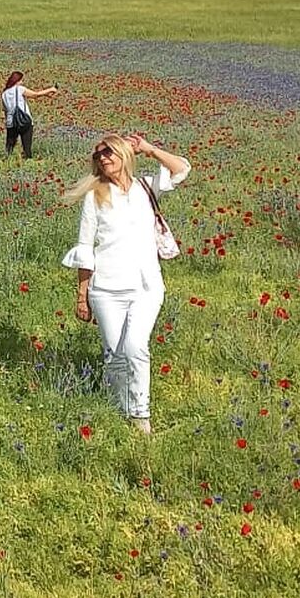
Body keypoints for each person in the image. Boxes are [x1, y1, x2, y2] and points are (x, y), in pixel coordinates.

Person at [63, 132, 192, 434]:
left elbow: (182, 169)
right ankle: (116, 409)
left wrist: (148, 148)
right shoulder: (95, 196)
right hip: (106, 290)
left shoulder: (146, 187)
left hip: (147, 286)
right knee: (114, 358)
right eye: (98, 155)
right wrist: (82, 296)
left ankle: (140, 416)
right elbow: (85, 249)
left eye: (108, 151)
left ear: (123, 153)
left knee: (135, 346)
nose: (103, 158)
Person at [0, 71, 58, 160]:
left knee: (10, 145)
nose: (22, 82)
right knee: (26, 146)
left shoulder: (4, 94)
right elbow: (35, 94)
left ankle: (6, 161)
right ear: (17, 81)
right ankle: (27, 161)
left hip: (11, 122)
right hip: (24, 120)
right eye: (21, 80)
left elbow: (5, 110)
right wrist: (50, 89)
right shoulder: (20, 89)